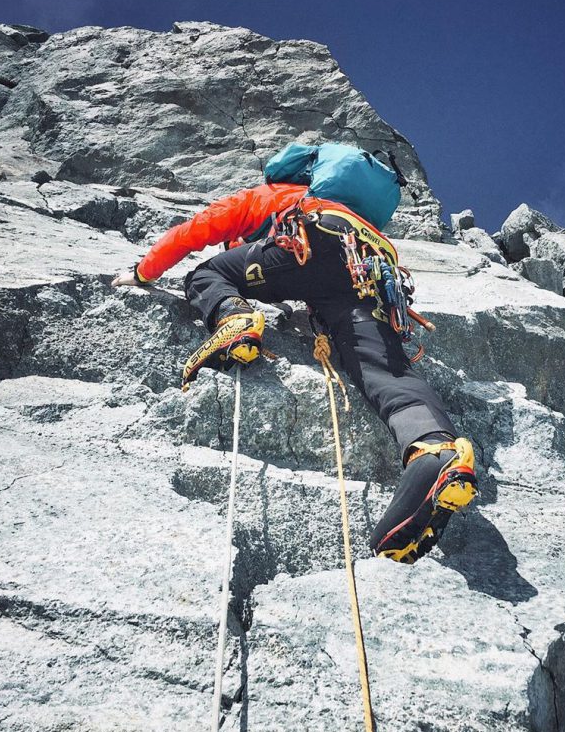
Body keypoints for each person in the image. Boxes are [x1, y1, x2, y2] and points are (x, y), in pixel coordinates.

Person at [112, 179, 477, 562]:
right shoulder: (352, 212)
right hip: (367, 271)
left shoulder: (271, 193)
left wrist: (142, 273)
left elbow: (199, 227)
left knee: (204, 274)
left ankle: (234, 317)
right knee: (389, 374)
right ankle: (434, 450)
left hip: (309, 239)